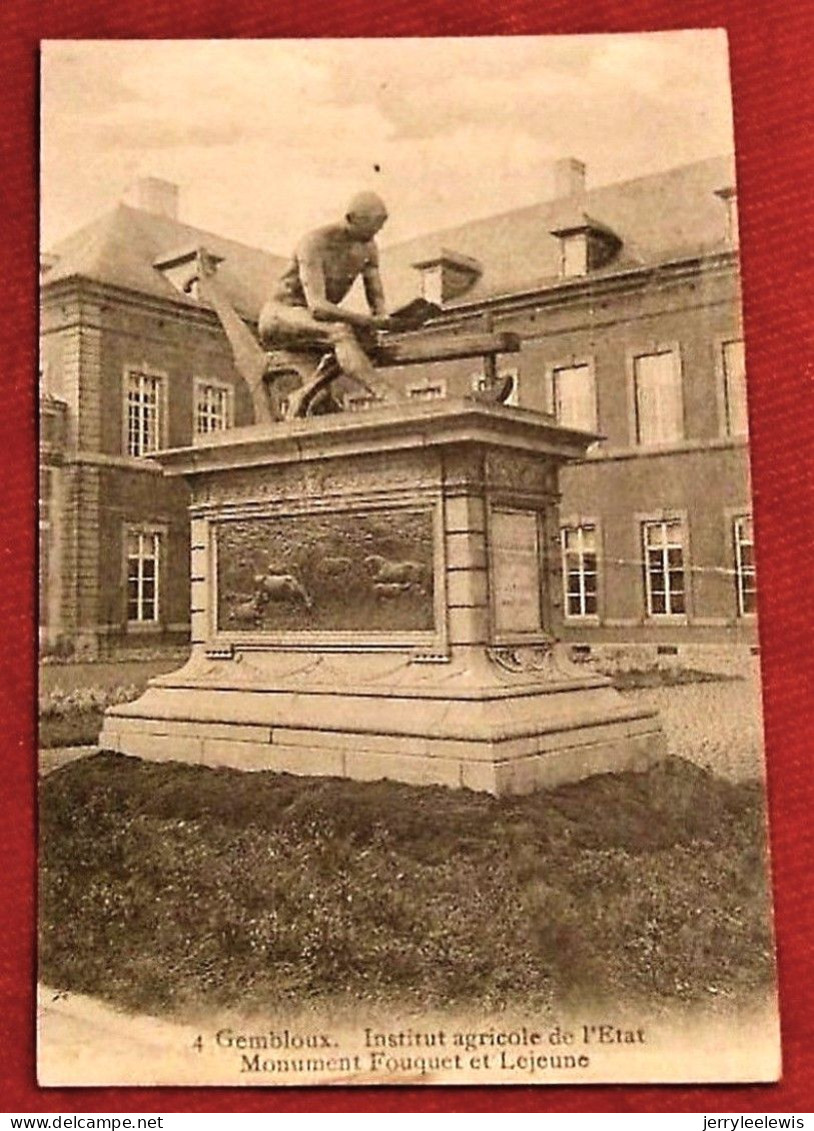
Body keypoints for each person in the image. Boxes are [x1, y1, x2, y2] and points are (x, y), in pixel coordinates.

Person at [258, 191, 398, 414]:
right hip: (279, 317)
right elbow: (318, 307)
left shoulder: (369, 247)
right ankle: (385, 393)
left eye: (382, 223)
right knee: (340, 331)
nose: (378, 230)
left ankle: (302, 395)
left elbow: (376, 297)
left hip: (311, 322)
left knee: (365, 339)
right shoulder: (314, 243)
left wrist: (384, 320)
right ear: (352, 219)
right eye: (374, 224)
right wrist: (368, 321)